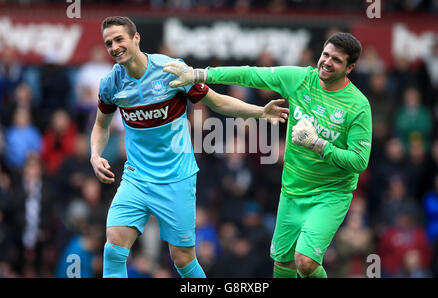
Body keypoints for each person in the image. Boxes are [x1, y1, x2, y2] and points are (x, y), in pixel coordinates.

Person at [90, 16, 288, 278]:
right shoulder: (111, 84)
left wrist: (260, 112)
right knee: (114, 249)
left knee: (182, 260)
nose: (114, 47)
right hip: (136, 178)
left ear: (136, 38)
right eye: (108, 43)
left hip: (176, 179)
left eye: (119, 39)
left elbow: (217, 102)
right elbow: (100, 125)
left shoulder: (170, 70)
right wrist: (94, 155)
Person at [164, 32, 372, 278]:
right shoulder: (300, 79)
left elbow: (359, 161)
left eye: (336, 60)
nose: (326, 62)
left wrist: (318, 144)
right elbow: (250, 75)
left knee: (305, 261)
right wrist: (201, 74)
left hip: (330, 194)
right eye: (325, 55)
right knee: (284, 264)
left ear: (350, 67)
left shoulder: (358, 106)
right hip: (293, 190)